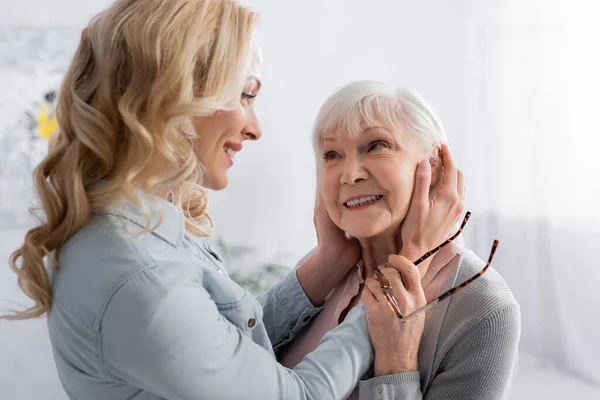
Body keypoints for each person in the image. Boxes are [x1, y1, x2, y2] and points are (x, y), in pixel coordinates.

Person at [1, 1, 463, 399]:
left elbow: (223, 352)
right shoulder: (141, 278)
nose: (255, 127)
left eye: (377, 146)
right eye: (244, 94)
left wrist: (323, 267)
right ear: (174, 95)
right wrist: (402, 273)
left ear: (432, 166)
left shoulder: (141, 227)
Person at [279, 81, 521, 399]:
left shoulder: (483, 307)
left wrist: (397, 368)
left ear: (433, 168)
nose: (350, 174)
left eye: (376, 146)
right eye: (332, 154)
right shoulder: (322, 272)